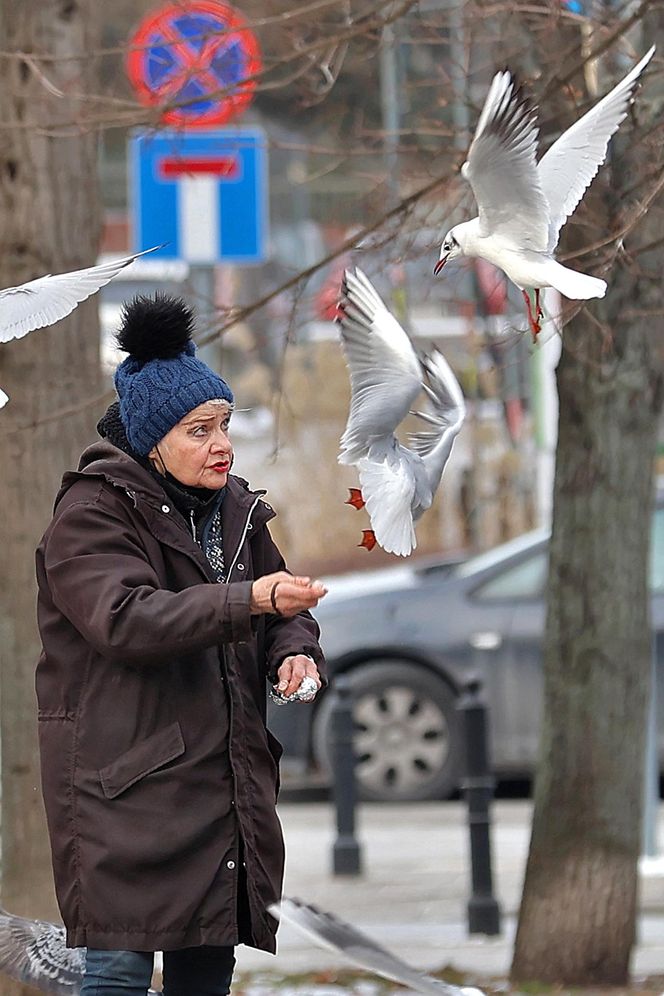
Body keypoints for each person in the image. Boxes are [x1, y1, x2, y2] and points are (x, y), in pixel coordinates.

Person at [35, 293, 327, 996]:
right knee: (117, 973)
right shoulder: (90, 513)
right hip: (121, 794)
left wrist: (294, 647)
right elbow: (127, 620)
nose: (222, 443)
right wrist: (250, 601)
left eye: (224, 424)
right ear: (153, 439)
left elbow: (280, 600)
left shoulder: (238, 510)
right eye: (199, 430)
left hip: (219, 789)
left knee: (207, 973)